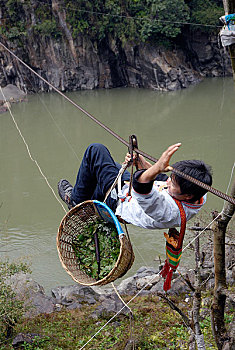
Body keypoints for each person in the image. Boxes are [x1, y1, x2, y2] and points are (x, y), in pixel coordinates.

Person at [58, 143, 212, 229]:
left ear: (187, 196)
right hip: (130, 192)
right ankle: (89, 201)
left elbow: (142, 189)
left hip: (121, 202)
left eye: (173, 184)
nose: (168, 182)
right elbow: (161, 179)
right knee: (108, 169)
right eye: (171, 178)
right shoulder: (197, 190)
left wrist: (156, 167)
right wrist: (143, 164)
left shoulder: (168, 211)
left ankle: (76, 203)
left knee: (96, 151)